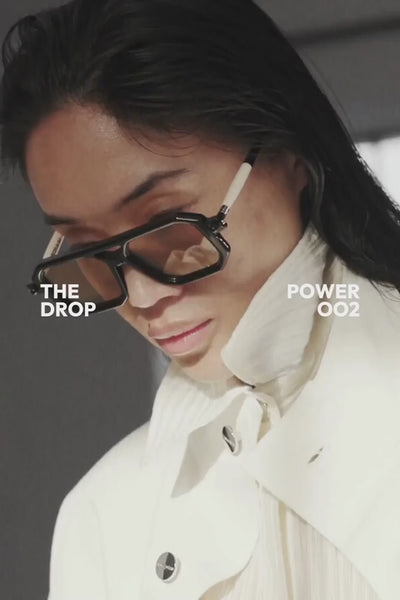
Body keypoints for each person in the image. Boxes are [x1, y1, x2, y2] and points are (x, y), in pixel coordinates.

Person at [1, 0, 400, 598]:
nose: (142, 294)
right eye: (88, 250)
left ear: (289, 154)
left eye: (168, 224)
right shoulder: (102, 518)